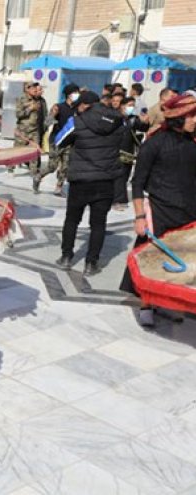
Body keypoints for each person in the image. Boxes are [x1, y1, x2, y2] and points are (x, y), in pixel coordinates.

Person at [121, 92, 196, 327]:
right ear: (178, 117)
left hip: (189, 212)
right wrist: (140, 216)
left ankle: (172, 302)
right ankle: (146, 305)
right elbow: (137, 182)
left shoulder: (193, 143)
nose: (195, 120)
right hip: (160, 211)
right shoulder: (154, 143)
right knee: (151, 261)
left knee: (180, 263)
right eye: (192, 115)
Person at [53, 91, 124, 276]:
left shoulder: (77, 121)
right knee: (98, 224)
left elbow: (58, 141)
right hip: (106, 180)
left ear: (84, 105)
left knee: (72, 220)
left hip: (81, 181)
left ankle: (66, 257)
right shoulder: (118, 121)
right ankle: (91, 264)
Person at [113, 96, 150, 210]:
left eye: (133, 106)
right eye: (129, 105)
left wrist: (146, 122)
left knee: (124, 176)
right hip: (115, 150)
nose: (131, 108)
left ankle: (116, 197)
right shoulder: (114, 117)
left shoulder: (133, 119)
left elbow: (142, 127)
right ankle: (118, 200)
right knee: (119, 175)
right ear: (122, 105)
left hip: (128, 152)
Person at [47, 84, 80, 197]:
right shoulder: (59, 107)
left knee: (65, 166)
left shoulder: (77, 108)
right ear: (68, 95)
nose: (77, 95)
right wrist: (52, 114)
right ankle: (39, 176)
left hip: (69, 141)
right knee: (52, 167)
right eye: (75, 92)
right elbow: (47, 121)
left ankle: (59, 186)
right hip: (56, 140)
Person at [15, 82, 47, 189]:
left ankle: (33, 172)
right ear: (27, 89)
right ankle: (11, 166)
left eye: (35, 88)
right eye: (32, 88)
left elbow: (43, 114)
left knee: (34, 151)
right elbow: (18, 114)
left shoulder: (39, 100)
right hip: (23, 130)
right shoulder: (21, 99)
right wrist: (30, 109)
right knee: (18, 151)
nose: (35, 89)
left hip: (34, 130)